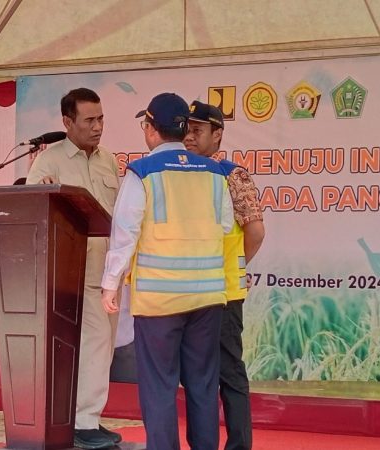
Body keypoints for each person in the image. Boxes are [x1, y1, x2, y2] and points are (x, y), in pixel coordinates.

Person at [100, 93, 233, 450]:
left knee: (159, 385)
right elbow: (224, 226)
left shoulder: (142, 172)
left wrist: (110, 284)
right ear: (185, 129)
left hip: (159, 299)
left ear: (150, 128)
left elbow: (125, 234)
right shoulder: (215, 172)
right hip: (207, 296)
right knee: (203, 383)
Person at [26, 87, 121, 450]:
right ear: (67, 122)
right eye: (89, 120)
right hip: (71, 273)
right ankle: (82, 422)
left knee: (102, 348)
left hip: (107, 273)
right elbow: (31, 213)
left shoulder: (108, 160)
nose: (98, 127)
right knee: (94, 343)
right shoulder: (48, 162)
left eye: (101, 119)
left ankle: (86, 418)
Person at [184, 101, 265, 450]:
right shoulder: (180, 172)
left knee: (229, 372)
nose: (189, 137)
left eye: (197, 130)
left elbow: (255, 232)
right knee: (196, 375)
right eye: (186, 129)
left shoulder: (233, 175)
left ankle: (238, 446)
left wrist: (234, 264)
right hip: (187, 291)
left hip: (224, 293)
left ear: (217, 135)